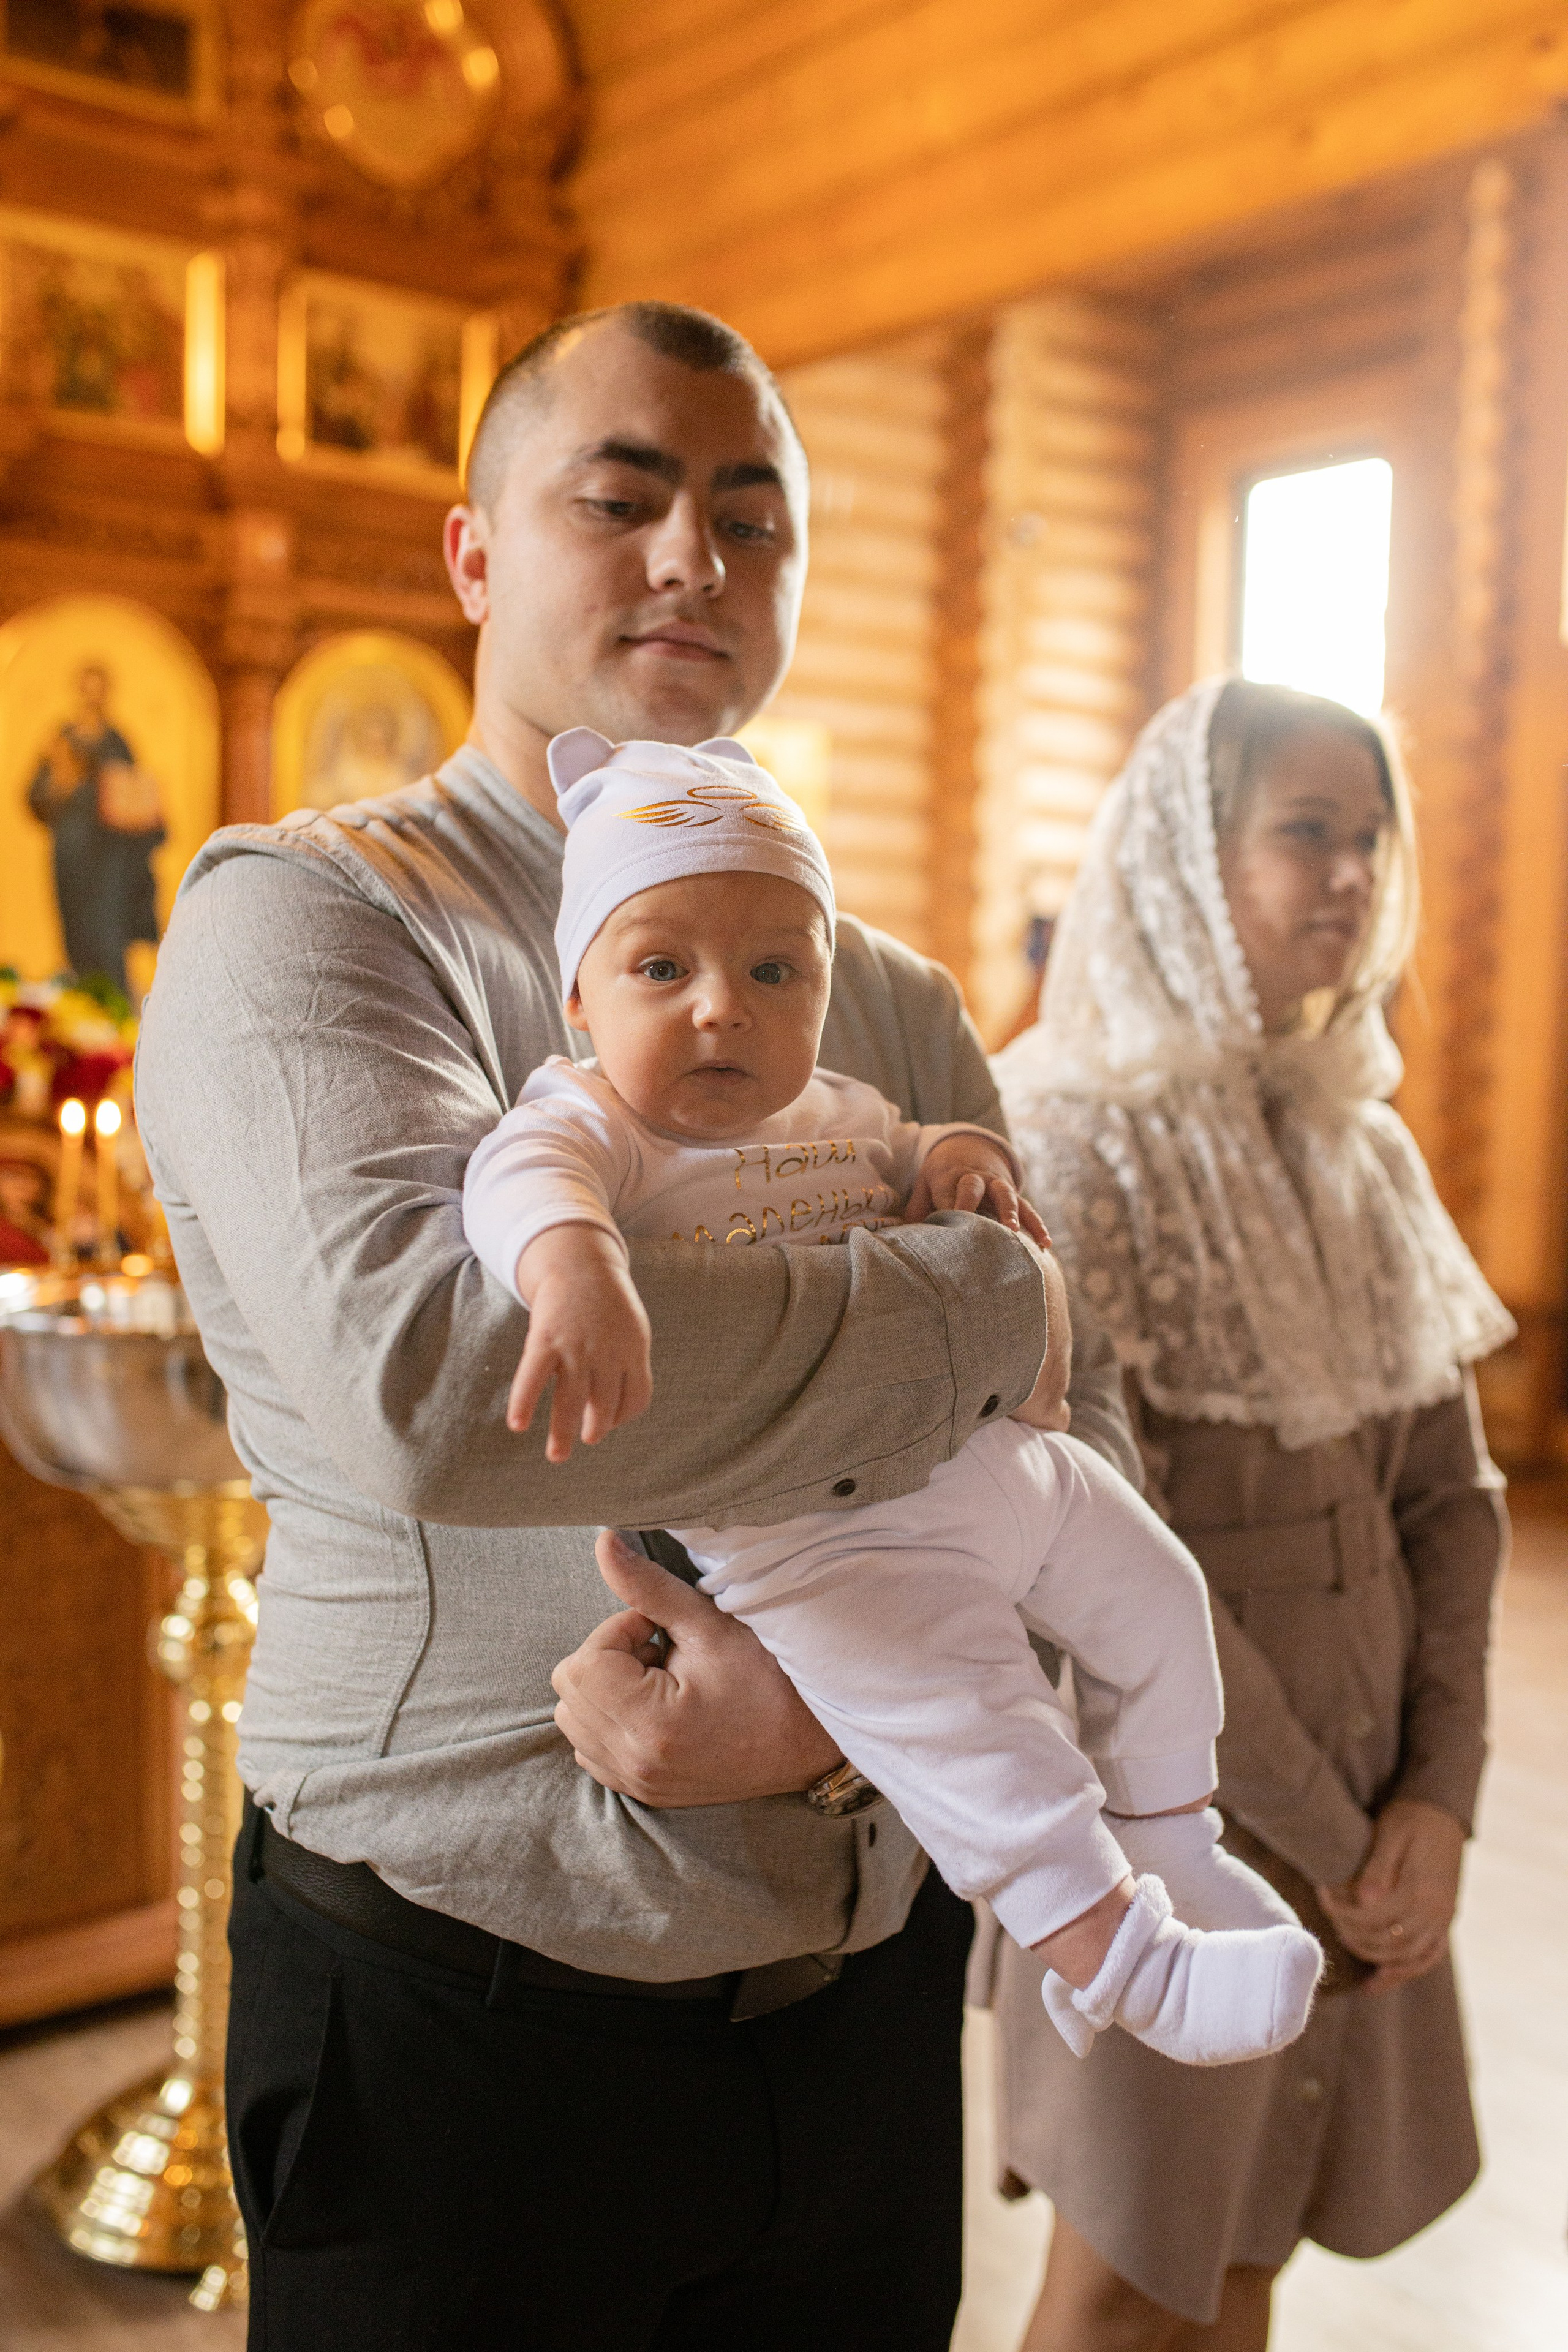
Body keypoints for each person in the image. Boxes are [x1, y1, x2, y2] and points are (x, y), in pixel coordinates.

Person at [135, 300, 1140, 2352]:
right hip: (462, 2005)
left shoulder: (890, 998)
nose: (698, 555)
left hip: (857, 1992)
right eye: (627, 497)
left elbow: (1087, 1457)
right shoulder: (323, 923)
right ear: (478, 554)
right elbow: (446, 1393)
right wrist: (970, 1298)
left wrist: (837, 1711)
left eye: (754, 518)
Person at [463, 726, 1323, 2068]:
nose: (718, 1006)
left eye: (771, 969)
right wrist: (572, 1268)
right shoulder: (593, 1125)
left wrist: (962, 1161)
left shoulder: (830, 1105)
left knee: (1156, 1598)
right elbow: (515, 1181)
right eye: (659, 968)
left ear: (819, 985)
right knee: (979, 1735)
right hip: (810, 1536)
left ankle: (1173, 1838)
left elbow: (916, 1146)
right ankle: (1120, 1965)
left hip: (978, 1460)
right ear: (580, 999)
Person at [990, 677, 1513, 2351]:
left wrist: (1435, 1793)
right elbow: (1104, 1559)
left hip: (1369, 1801)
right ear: (1182, 857)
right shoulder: (1066, 1136)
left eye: (1369, 838)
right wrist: (1327, 1836)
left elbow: (1454, 1505)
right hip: (1175, 1817)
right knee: (1129, 2276)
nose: (1349, 874)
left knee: (1248, 2257)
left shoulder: (1359, 1142)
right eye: (1305, 832)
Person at [27, 662, 164, 997]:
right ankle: (83, 1000)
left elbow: (133, 797)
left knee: (109, 929)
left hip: (110, 858)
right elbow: (37, 796)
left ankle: (113, 1002)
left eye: (98, 690)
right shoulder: (61, 740)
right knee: (75, 928)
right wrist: (60, 784)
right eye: (87, 689)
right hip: (72, 851)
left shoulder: (116, 742)